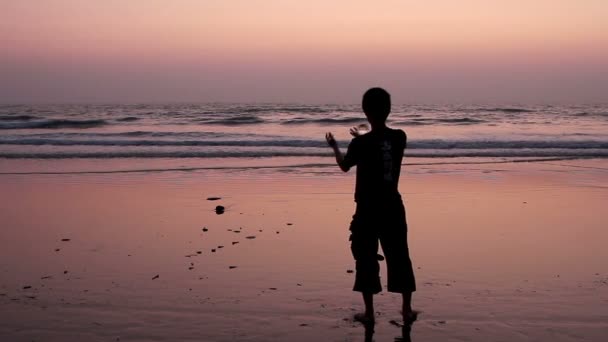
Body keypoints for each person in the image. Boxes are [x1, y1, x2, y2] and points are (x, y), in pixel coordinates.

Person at [325, 87, 417, 325]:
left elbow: (345, 166)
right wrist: (362, 136)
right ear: (389, 109)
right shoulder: (400, 137)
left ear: (365, 110)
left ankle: (369, 312)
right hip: (393, 206)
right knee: (399, 256)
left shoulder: (360, 145)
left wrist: (335, 146)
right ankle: (407, 309)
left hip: (367, 209)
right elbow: (380, 145)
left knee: (365, 257)